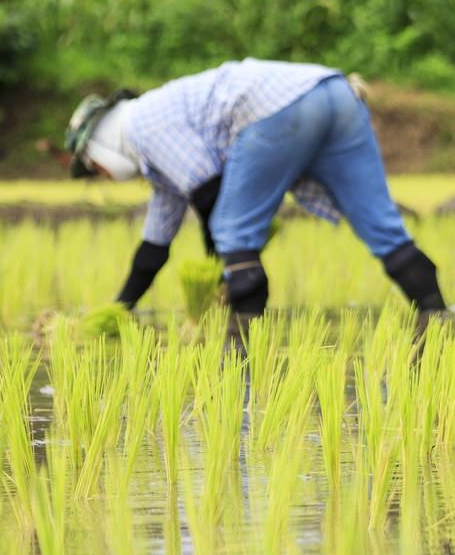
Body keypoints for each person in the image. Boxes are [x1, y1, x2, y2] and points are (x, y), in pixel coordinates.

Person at [64, 58, 449, 348]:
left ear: (99, 145)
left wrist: (221, 280)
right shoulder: (157, 162)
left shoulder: (142, 125)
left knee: (233, 230)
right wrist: (119, 309)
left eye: (94, 168)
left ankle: (241, 340)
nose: (101, 174)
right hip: (335, 94)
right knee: (382, 226)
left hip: (279, 108)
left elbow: (211, 195)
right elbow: (154, 247)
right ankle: (437, 315)